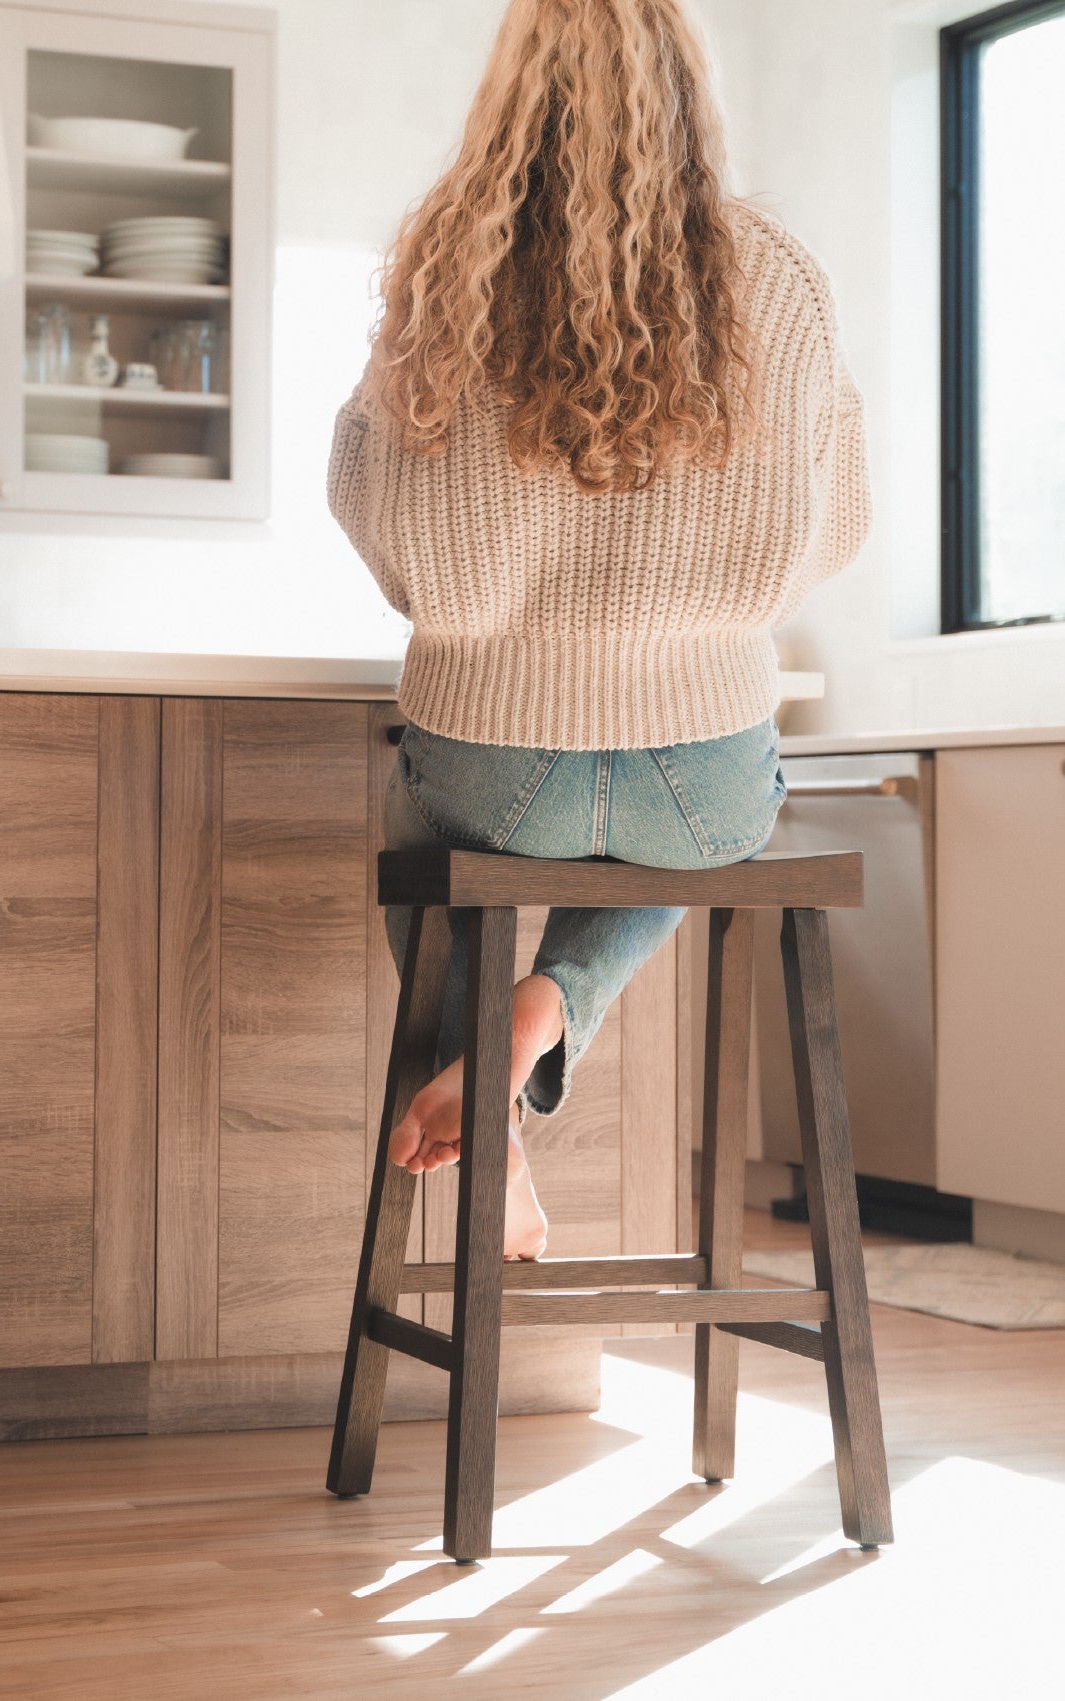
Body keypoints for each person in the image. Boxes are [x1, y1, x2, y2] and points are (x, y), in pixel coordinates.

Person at [328, 0, 869, 1259]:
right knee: (725, 828)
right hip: (703, 767)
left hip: (491, 767)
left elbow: (380, 520)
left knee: (416, 825)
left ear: (511, 92)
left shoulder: (445, 265)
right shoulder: (776, 277)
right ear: (689, 83)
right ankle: (545, 1012)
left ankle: (491, 1107)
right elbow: (832, 529)